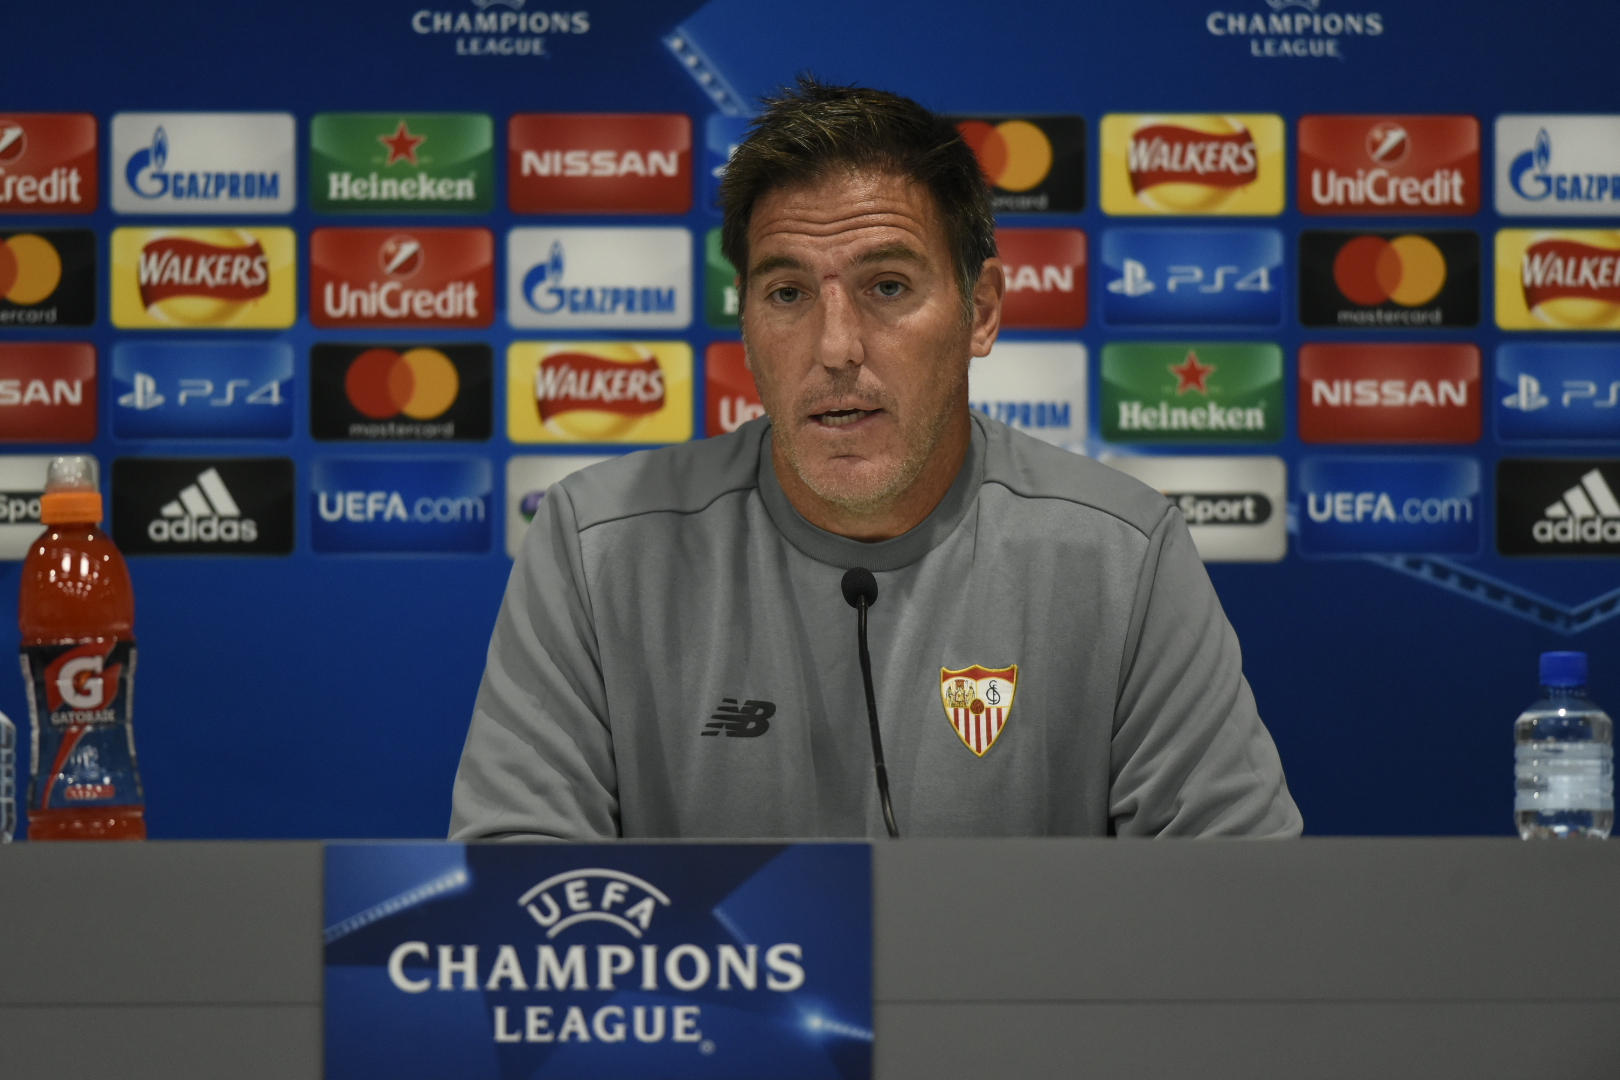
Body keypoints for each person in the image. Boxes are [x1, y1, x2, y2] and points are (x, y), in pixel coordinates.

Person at [450, 78, 1302, 840]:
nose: (835, 347)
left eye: (887, 286)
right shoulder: (593, 545)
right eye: (786, 293)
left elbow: (1240, 913)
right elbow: (521, 909)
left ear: (981, 310)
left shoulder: (1123, 553)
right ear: (745, 326)